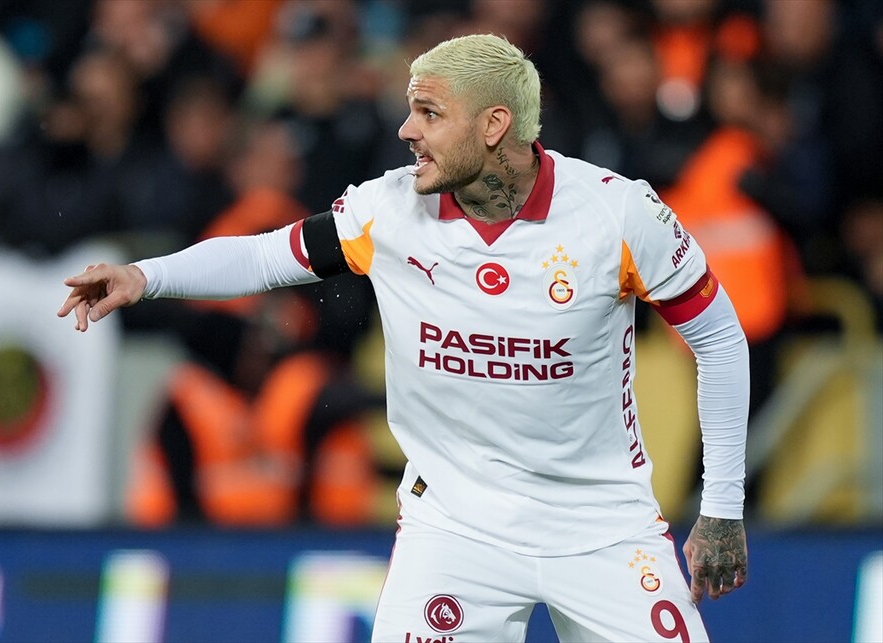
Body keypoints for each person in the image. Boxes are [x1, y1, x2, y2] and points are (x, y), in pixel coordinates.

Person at [59, 34, 749, 643]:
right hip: (455, 529)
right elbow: (265, 256)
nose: (405, 130)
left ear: (494, 125)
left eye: (429, 113)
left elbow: (719, 338)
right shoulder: (386, 211)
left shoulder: (617, 212)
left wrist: (721, 507)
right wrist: (145, 276)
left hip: (601, 525)